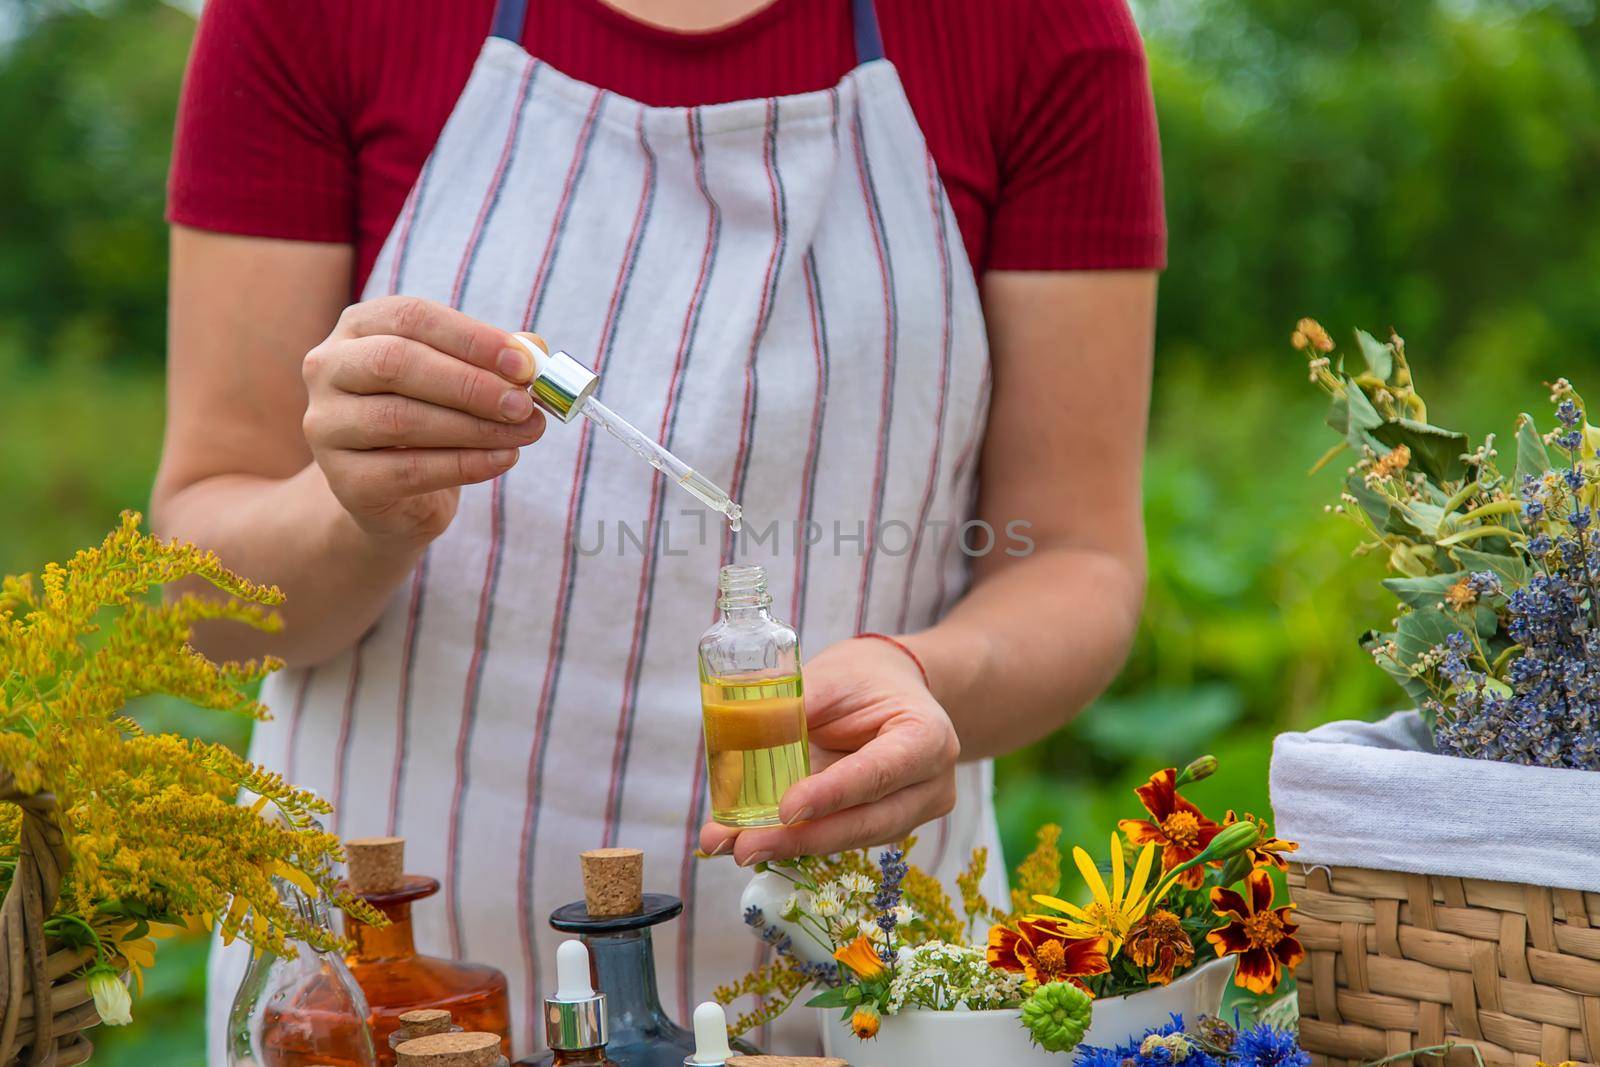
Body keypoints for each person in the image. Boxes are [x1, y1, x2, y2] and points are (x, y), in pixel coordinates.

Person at [155, 0, 1163, 1057]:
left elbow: (1076, 554)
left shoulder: (1038, 31)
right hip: (387, 1001)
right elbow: (204, 600)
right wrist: (353, 507)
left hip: (861, 996)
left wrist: (927, 675)